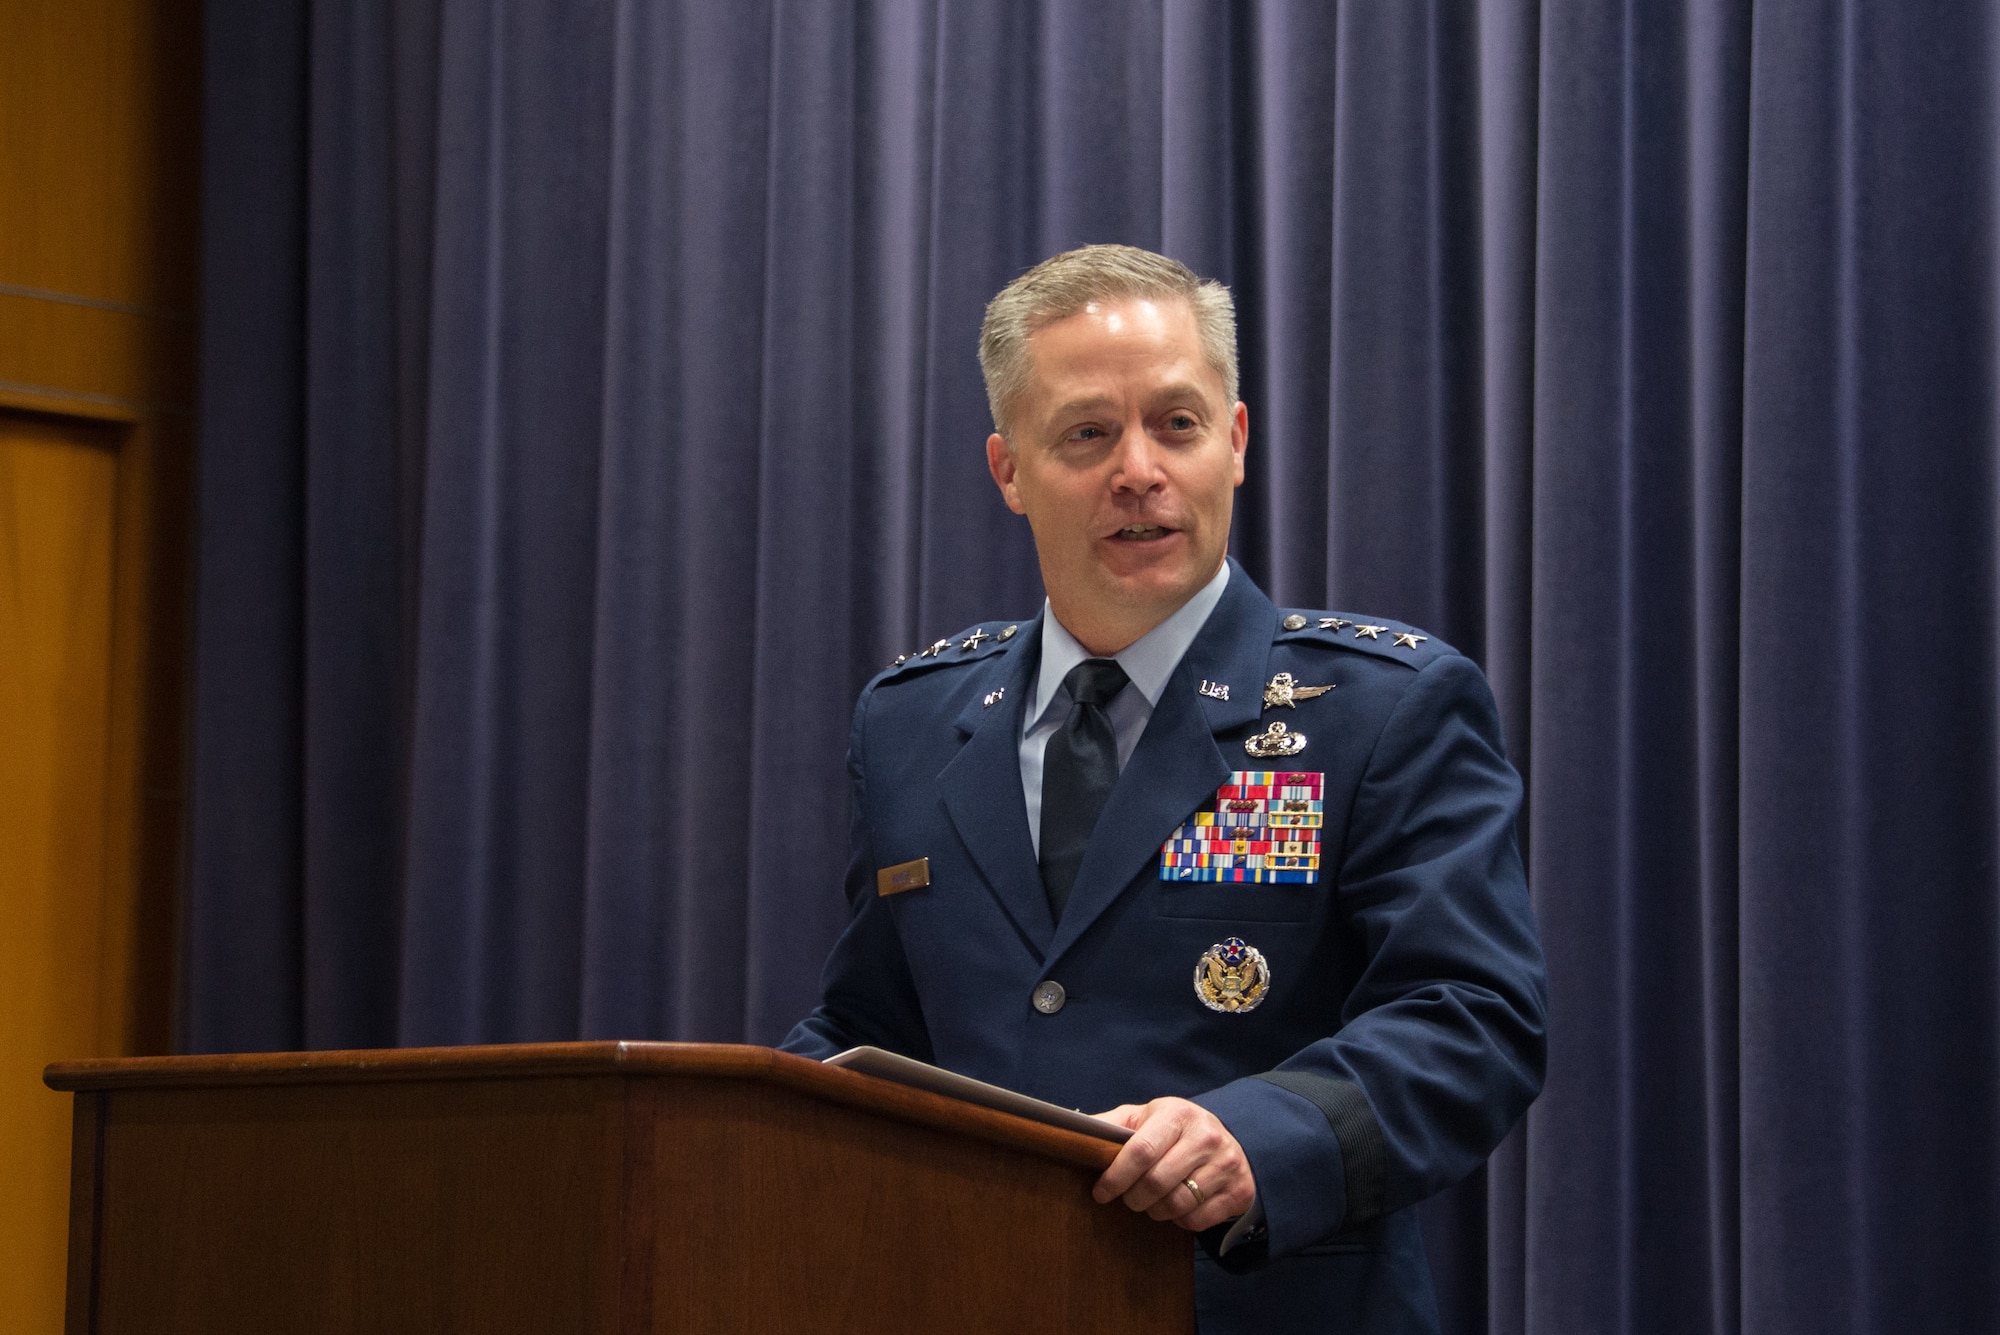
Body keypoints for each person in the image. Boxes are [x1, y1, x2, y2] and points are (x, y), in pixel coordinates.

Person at [781, 244, 1546, 1334]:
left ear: (1232, 444)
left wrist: (1257, 1136)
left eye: (1175, 425)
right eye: (1087, 434)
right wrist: (750, 1120)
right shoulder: (908, 723)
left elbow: (1471, 1019)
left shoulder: (1382, 707)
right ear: (1007, 470)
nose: (1136, 469)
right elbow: (876, 1025)